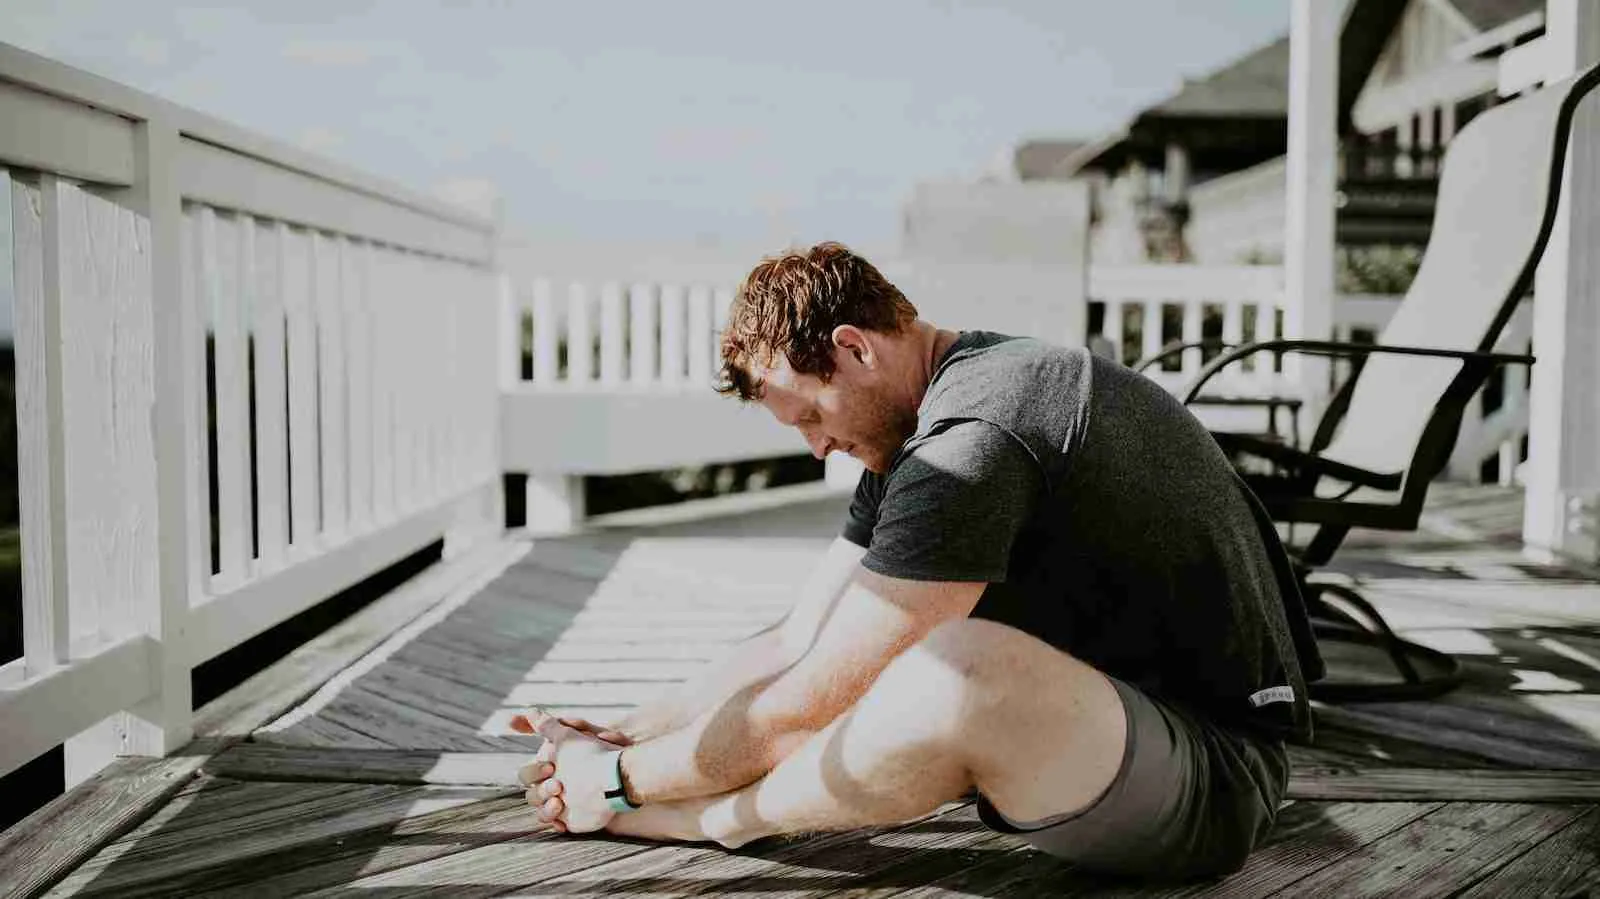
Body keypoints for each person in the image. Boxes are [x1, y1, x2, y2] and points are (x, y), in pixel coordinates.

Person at [514, 241, 1321, 879]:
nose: (817, 445)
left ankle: (715, 821)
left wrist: (625, 784)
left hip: (1212, 778)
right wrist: (625, 734)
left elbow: (808, 703)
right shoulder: (921, 428)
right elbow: (796, 641)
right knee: (867, 649)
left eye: (810, 415)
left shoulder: (975, 437)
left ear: (853, 348)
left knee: (953, 672)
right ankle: (678, 798)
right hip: (1100, 736)